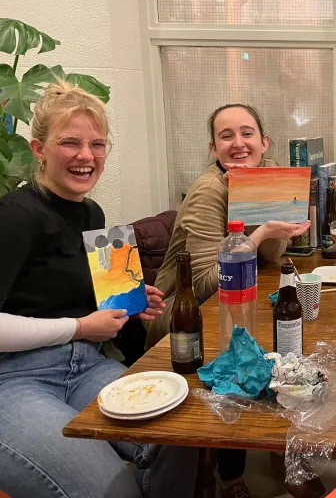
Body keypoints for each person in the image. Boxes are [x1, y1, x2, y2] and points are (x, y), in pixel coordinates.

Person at [0, 81, 197, 498]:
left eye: (98, 144)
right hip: (13, 380)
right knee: (116, 489)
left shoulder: (91, 211)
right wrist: (80, 327)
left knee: (185, 436)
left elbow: (72, 294)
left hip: (84, 366)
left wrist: (130, 299)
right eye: (69, 143)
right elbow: (73, 322)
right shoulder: (14, 217)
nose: (86, 156)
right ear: (39, 149)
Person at [149, 103, 312, 498]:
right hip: (183, 319)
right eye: (226, 136)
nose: (238, 144)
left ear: (263, 141)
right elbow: (204, 285)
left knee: (293, 346)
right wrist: (258, 235)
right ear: (213, 147)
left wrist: (279, 227)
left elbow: (270, 259)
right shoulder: (210, 191)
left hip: (240, 298)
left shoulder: (263, 176)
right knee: (255, 350)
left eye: (247, 133)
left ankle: (284, 453)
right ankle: (231, 475)